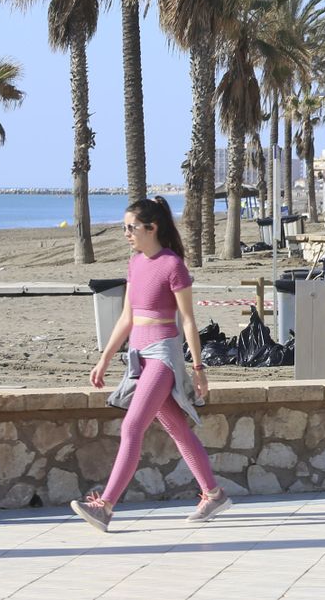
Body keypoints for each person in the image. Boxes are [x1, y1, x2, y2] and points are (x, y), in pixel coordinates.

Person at [71, 198, 228, 531]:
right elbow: (127, 318)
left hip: (162, 357)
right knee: (176, 428)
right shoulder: (135, 263)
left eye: (131, 227)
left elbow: (187, 320)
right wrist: (104, 359)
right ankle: (213, 494)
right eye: (125, 227)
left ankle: (106, 506)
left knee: (132, 427)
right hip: (139, 358)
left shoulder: (173, 265)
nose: (127, 233)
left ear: (151, 228)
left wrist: (199, 369)